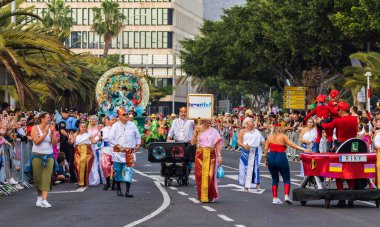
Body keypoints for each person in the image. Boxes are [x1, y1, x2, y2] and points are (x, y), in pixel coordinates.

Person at [318, 101, 358, 207]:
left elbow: (326, 126)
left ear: (340, 110)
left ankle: (341, 200)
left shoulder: (338, 121)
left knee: (338, 173)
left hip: (341, 147)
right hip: (353, 147)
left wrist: (321, 121)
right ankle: (351, 199)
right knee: (351, 172)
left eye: (338, 111)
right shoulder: (355, 120)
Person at [264, 123, 310, 205]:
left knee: (274, 179)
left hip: (271, 158)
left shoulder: (269, 136)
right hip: (281, 157)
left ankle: (275, 197)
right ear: (281, 128)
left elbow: (266, 149)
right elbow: (292, 145)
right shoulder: (283, 136)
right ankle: (286, 196)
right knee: (286, 177)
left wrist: (265, 160)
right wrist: (303, 149)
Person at [109, 109, 141, 198]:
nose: (126, 116)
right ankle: (119, 189)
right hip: (118, 153)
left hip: (129, 152)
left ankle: (127, 191)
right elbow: (110, 139)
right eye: (124, 114)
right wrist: (119, 146)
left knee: (129, 172)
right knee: (118, 172)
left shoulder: (132, 125)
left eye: (127, 114)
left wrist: (138, 145)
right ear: (119, 116)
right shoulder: (115, 126)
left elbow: (137, 136)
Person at [191, 119, 222, 203]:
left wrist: (219, 156)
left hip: (211, 154)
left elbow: (217, 144)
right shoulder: (198, 129)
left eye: (210, 121)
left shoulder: (214, 131)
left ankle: (210, 195)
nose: (210, 122)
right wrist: (195, 134)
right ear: (203, 121)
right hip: (200, 154)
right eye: (208, 121)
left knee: (210, 175)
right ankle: (202, 196)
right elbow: (193, 143)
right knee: (200, 175)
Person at [30, 112, 58, 208]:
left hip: (49, 156)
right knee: (38, 178)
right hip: (37, 156)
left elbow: (54, 143)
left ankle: (45, 200)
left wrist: (52, 133)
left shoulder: (50, 129)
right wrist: (45, 133)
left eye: (50, 117)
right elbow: (36, 141)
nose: (49, 119)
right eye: (47, 117)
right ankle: (39, 196)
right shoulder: (35, 128)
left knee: (47, 177)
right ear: (42, 119)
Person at [237, 117, 265, 191]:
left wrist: (256, 144)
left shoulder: (256, 131)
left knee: (255, 167)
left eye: (253, 122)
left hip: (255, 151)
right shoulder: (242, 131)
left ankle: (257, 184)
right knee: (245, 168)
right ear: (247, 123)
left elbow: (262, 141)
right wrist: (244, 145)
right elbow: (239, 141)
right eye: (251, 122)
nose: (253, 123)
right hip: (245, 152)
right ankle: (246, 185)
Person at [69, 122, 96, 187]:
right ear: (79, 128)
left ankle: (85, 182)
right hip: (78, 151)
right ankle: (80, 181)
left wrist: (99, 137)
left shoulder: (89, 134)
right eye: (82, 127)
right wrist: (70, 137)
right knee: (78, 165)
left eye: (84, 127)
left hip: (88, 151)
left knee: (86, 165)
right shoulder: (76, 134)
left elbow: (94, 142)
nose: (83, 128)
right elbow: (71, 142)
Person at [100, 115, 118, 190]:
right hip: (106, 151)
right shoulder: (103, 130)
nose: (113, 121)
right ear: (108, 121)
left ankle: (114, 184)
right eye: (112, 120)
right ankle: (108, 183)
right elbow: (100, 138)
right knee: (105, 167)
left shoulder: (118, 130)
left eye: (115, 119)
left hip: (116, 151)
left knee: (116, 168)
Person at [88, 115, 101, 186]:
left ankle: (99, 179)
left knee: (97, 164)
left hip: (96, 147)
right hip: (89, 148)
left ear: (96, 121)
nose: (92, 120)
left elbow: (99, 137)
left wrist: (94, 139)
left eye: (94, 119)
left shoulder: (98, 128)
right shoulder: (87, 128)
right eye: (91, 119)